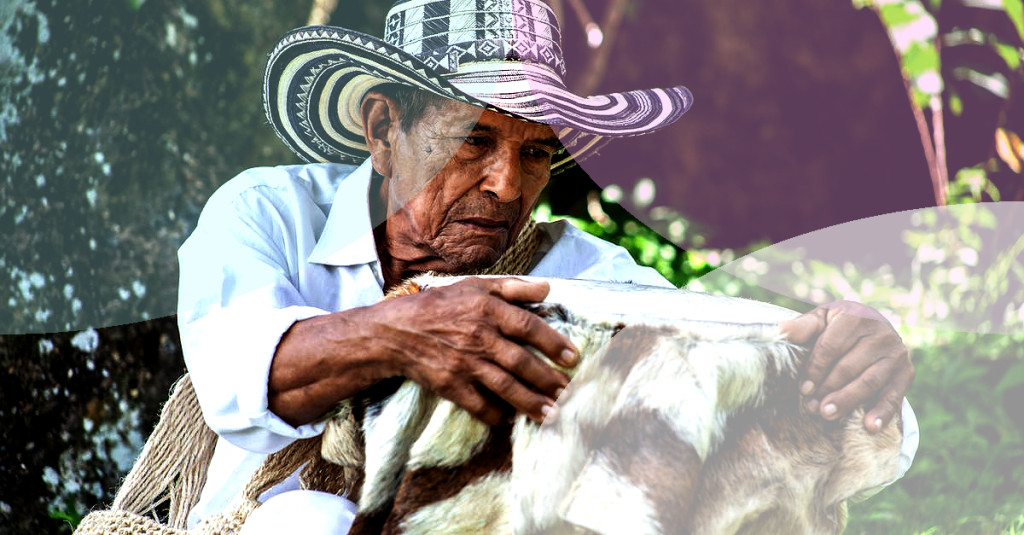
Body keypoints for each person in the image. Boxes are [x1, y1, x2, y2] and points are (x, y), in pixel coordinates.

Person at [177, 0, 918, 531]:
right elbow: (236, 375)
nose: (508, 183)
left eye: (535, 152)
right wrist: (409, 332)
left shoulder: (578, 268)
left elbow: (717, 354)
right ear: (383, 128)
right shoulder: (266, 213)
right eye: (472, 139)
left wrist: (847, 351)